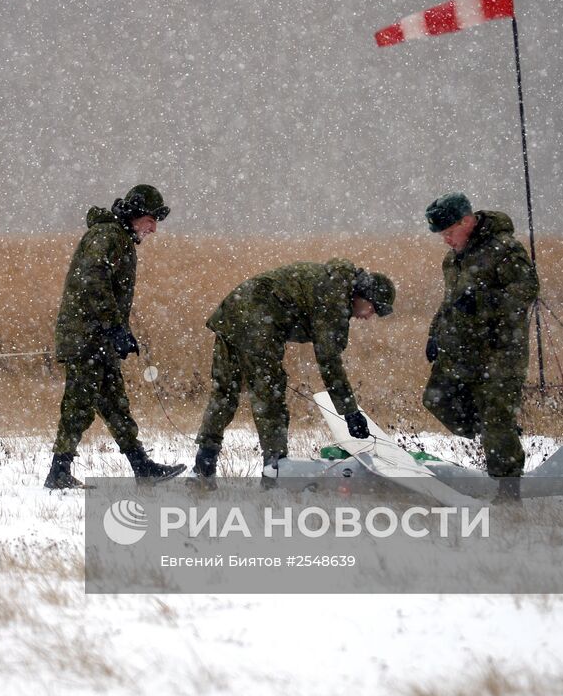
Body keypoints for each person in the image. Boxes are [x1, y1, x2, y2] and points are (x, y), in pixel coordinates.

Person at [187, 259, 396, 487]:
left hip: (232, 313)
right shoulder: (336, 298)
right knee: (269, 395)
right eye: (373, 309)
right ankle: (275, 469)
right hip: (258, 320)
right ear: (363, 295)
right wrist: (350, 412)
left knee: (225, 392)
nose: (368, 317)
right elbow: (328, 360)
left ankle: (204, 463)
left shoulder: (332, 281)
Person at [44, 184, 186, 489]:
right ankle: (58, 473)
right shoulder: (106, 236)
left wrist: (117, 331)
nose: (154, 229)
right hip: (85, 340)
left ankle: (142, 467)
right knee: (78, 406)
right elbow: (94, 282)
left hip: (98, 340)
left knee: (115, 405)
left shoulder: (118, 238)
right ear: (135, 215)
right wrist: (114, 327)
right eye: (151, 220)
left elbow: (104, 290)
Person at [421, 192, 540, 502]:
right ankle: (498, 436)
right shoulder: (453, 259)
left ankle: (508, 491)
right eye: (441, 235)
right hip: (462, 351)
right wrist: (435, 333)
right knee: (437, 399)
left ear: (468, 221)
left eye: (449, 232)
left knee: (495, 418)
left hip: (500, 352)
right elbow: (450, 303)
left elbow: (526, 291)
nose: (446, 240)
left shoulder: (504, 250)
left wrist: (484, 302)